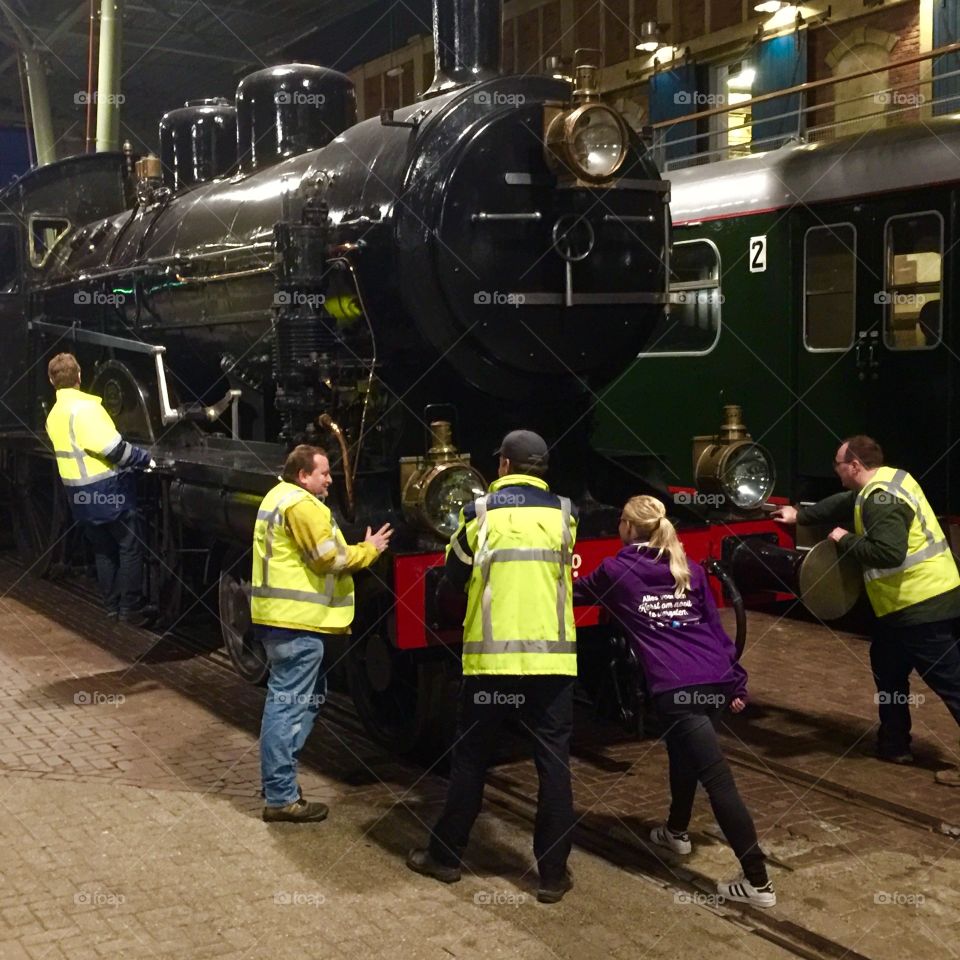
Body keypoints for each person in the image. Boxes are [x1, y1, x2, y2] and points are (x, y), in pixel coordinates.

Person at [573, 494, 776, 908]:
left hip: (676, 689)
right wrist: (736, 682)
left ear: (627, 528)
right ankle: (676, 832)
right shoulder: (690, 568)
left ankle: (758, 881)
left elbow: (573, 592)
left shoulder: (617, 570)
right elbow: (715, 631)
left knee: (716, 778)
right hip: (714, 680)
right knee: (683, 754)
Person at [407, 429, 578, 904]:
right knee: (554, 764)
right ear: (541, 469)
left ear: (503, 466)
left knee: (471, 759)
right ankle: (551, 876)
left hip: (491, 662)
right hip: (552, 661)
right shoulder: (567, 514)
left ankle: (445, 858)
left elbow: (455, 574)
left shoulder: (478, 513)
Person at [773, 436, 960, 786]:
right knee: (887, 667)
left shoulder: (880, 500)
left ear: (855, 466)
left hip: (921, 605)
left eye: (839, 465)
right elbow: (846, 501)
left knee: (951, 683)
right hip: (906, 606)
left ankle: (896, 742)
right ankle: (894, 744)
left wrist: (843, 539)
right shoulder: (891, 480)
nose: (837, 471)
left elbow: (889, 553)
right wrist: (801, 515)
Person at [254, 444, 392, 822]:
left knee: (309, 696)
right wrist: (370, 549)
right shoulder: (302, 505)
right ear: (303, 475)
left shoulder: (277, 498)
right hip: (295, 624)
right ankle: (280, 795)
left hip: (285, 622)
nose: (330, 479)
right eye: (324, 473)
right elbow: (329, 558)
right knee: (288, 704)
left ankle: (278, 780)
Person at [45, 353, 155, 625]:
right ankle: (130, 609)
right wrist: (144, 459)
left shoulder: (53, 416)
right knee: (129, 546)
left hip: (78, 496)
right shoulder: (87, 409)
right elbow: (112, 449)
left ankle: (111, 606)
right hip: (108, 491)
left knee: (103, 550)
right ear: (80, 376)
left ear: (51, 381)